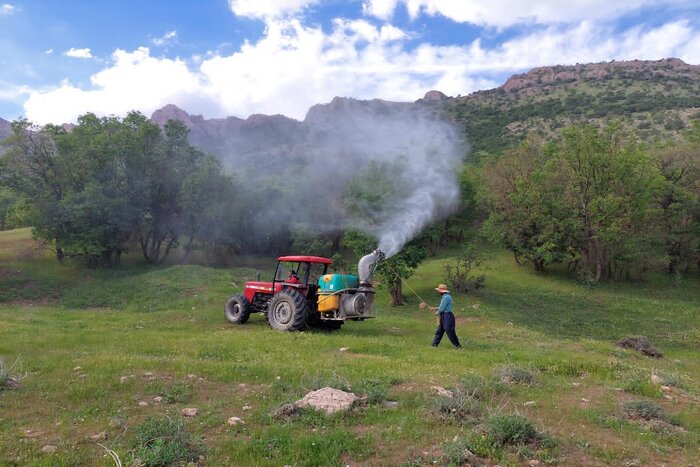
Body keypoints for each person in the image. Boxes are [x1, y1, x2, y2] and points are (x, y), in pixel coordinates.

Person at [431, 284, 462, 349]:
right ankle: (434, 345)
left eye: (439, 290)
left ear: (442, 291)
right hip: (444, 315)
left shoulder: (446, 297)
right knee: (440, 330)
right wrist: (435, 308)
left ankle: (458, 346)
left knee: (449, 330)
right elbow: (442, 307)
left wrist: (437, 312)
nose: (438, 292)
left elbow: (442, 308)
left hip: (447, 316)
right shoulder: (446, 297)